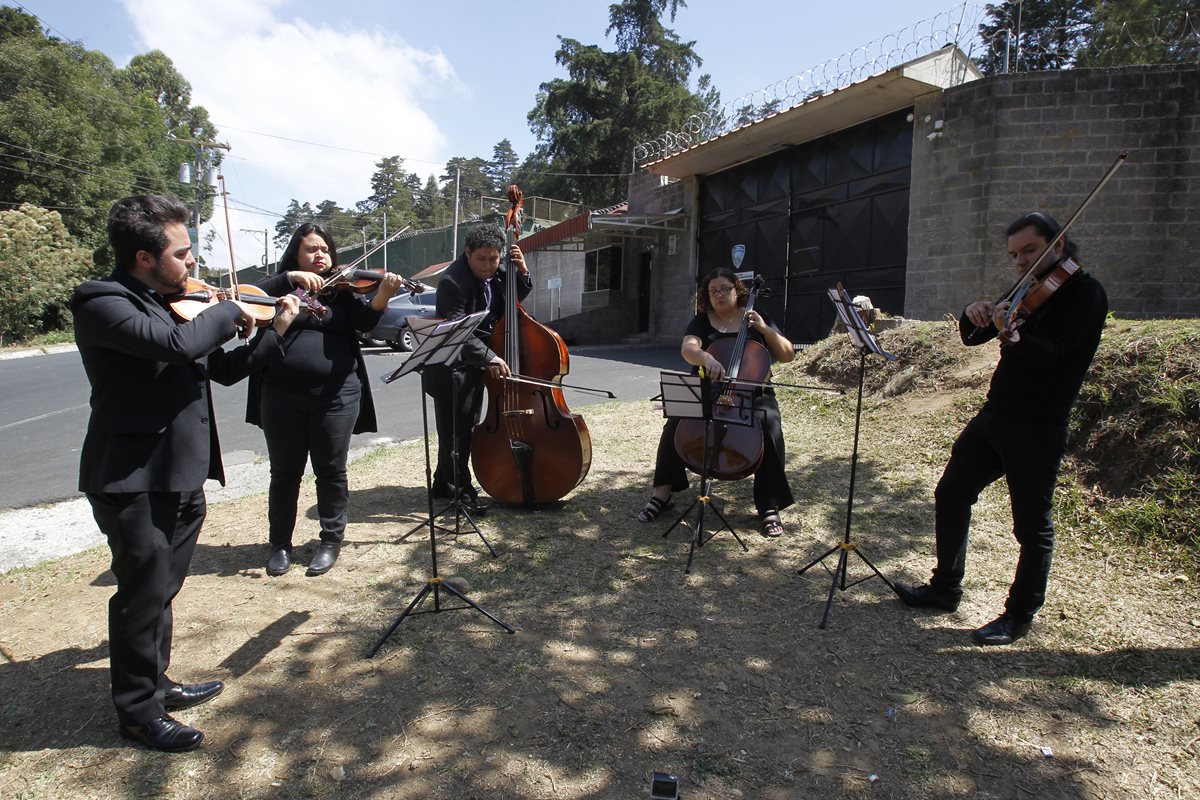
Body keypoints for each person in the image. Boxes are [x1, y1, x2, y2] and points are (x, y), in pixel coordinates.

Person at [72, 194, 302, 753]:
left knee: (164, 589)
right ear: (145, 258)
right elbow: (176, 348)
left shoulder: (173, 302)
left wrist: (276, 331)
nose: (194, 264)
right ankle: (136, 713)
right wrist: (232, 306)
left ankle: (157, 683)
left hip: (179, 472)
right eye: (183, 254)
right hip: (130, 476)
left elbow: (220, 368)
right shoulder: (102, 301)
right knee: (141, 593)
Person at [896, 212, 1108, 646]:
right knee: (951, 492)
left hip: (1039, 425)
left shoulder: (1086, 294)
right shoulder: (1028, 287)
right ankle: (944, 588)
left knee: (1031, 526)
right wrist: (972, 314)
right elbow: (975, 338)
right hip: (996, 415)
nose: (1019, 261)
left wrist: (1011, 335)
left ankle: (1019, 614)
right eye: (1014, 254)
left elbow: (1053, 353)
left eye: (1029, 250)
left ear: (1059, 243)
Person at [246, 223, 403, 577]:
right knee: (284, 472)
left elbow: (365, 322)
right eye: (312, 250)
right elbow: (250, 297)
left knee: (331, 470)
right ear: (297, 255)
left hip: (337, 395)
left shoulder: (342, 289)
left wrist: (384, 294)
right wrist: (290, 278)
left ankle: (331, 540)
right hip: (280, 394)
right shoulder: (280, 288)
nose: (321, 256)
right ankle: (280, 545)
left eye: (325, 250)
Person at [635, 268, 796, 537]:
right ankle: (662, 494)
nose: (719, 295)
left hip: (752, 392)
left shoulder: (755, 317)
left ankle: (769, 506)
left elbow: (787, 354)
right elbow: (689, 349)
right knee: (676, 419)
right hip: (709, 387)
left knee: (770, 426)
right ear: (706, 296)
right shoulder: (701, 321)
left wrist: (764, 329)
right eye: (713, 291)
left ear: (737, 290)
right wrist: (706, 358)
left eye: (725, 289)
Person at [421, 223, 531, 513]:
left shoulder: (496, 274)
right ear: (467, 253)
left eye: (494, 259)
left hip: (479, 362)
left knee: (460, 428)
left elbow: (514, 299)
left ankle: (443, 483)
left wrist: (523, 271)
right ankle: (462, 495)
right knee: (457, 433)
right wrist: (490, 357)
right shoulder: (452, 282)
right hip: (451, 366)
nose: (488, 266)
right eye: (481, 259)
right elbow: (456, 329)